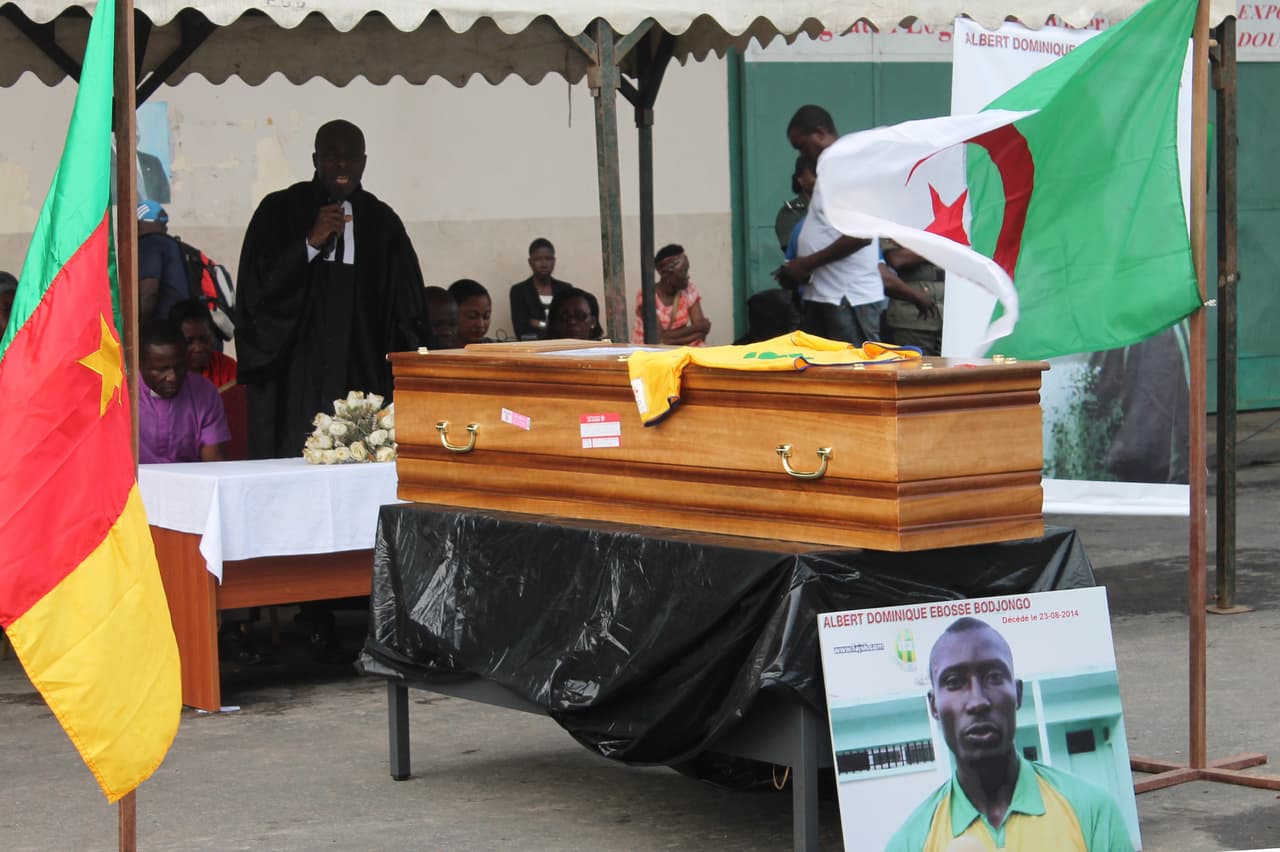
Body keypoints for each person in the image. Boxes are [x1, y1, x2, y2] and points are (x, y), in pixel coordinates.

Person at [235, 119, 427, 460]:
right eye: (332, 156)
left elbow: (407, 308)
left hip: (361, 368)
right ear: (315, 159)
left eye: (351, 157)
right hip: (295, 373)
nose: (342, 165)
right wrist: (310, 243)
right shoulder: (278, 211)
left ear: (364, 163)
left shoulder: (383, 223)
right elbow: (257, 292)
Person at [886, 617, 1134, 852]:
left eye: (994, 677)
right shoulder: (910, 843)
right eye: (954, 682)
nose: (977, 701)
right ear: (933, 706)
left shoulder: (1093, 811)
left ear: (1017, 694)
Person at [777, 105, 935, 346]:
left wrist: (806, 264)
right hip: (828, 296)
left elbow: (861, 237)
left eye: (802, 146)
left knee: (855, 372)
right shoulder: (831, 167)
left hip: (849, 299)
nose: (802, 154)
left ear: (819, 133)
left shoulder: (847, 165)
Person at [137, 318, 230, 464]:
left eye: (179, 367)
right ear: (139, 365)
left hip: (192, 484)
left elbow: (215, 465)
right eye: (162, 369)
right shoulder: (121, 395)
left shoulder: (204, 393)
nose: (172, 377)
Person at [632, 244, 711, 346]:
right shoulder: (646, 295)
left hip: (678, 350)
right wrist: (696, 328)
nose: (688, 276)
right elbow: (656, 339)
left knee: (701, 347)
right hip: (649, 351)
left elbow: (702, 335)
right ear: (667, 274)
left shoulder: (689, 290)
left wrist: (668, 339)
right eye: (683, 271)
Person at [882, 239, 944, 356]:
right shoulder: (899, 223)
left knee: (954, 369)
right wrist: (941, 245)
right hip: (913, 314)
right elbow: (897, 259)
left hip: (952, 313)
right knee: (916, 367)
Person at [510, 238, 574, 340]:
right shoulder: (519, 291)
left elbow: (570, 325)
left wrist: (537, 323)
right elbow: (521, 328)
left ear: (554, 261)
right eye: (538, 259)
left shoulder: (566, 289)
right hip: (532, 349)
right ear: (530, 262)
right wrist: (552, 326)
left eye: (548, 259)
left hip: (562, 347)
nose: (544, 264)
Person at [137, 200, 188, 323]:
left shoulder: (150, 244)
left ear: (139, 223)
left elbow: (149, 293)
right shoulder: (174, 245)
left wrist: (138, 328)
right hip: (186, 323)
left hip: (166, 327)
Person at [169, 299, 237, 390]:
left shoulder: (227, 367)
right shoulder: (163, 373)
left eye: (204, 339)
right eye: (189, 342)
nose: (198, 348)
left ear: (212, 336)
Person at [450, 279, 493, 345]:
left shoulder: (493, 347)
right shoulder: (435, 351)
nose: (480, 325)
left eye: (486, 317)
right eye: (472, 316)